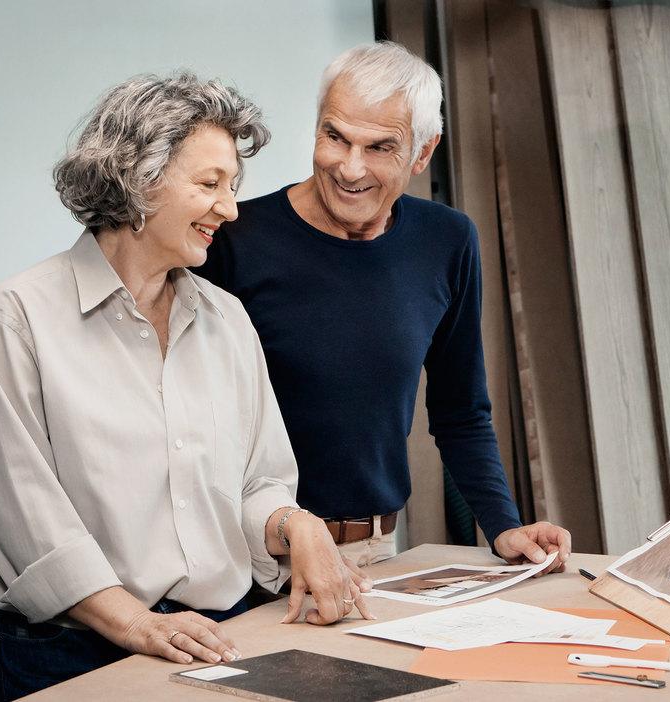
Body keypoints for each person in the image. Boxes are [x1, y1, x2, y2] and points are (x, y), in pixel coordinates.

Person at [0, 73, 372, 701]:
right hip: (73, 655)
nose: (230, 209)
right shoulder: (16, 318)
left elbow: (255, 483)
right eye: (209, 185)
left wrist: (294, 523)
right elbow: (26, 521)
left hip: (215, 636)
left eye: (232, 186)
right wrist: (137, 623)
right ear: (134, 179)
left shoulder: (227, 319)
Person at [193, 42, 571, 574]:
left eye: (379, 147)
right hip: (247, 552)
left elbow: (461, 411)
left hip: (370, 551)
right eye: (335, 137)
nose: (350, 168)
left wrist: (504, 527)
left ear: (422, 152)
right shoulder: (233, 239)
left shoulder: (447, 240)